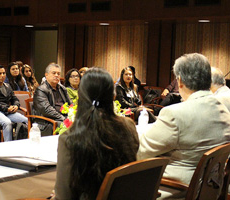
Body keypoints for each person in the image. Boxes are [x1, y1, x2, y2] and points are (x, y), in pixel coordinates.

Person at [137, 53, 230, 199]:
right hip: (210, 189)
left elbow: (141, 152)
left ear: (180, 81)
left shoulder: (175, 114)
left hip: (177, 190)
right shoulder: (224, 110)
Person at [54, 68, 139, 199]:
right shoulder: (128, 127)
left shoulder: (70, 139)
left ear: (81, 96)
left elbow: (64, 196)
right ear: (113, 95)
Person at [0, 65, 28, 142]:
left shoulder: (7, 86)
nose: (2, 76)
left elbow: (14, 98)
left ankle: (22, 143)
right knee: (7, 123)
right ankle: (8, 147)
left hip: (7, 112)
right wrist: (7, 108)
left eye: (3, 73)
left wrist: (16, 105)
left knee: (26, 120)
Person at [33, 63, 72, 136]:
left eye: (58, 74)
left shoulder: (62, 89)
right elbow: (47, 110)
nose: (56, 75)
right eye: (54, 73)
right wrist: (64, 119)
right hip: (47, 121)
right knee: (67, 126)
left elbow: (70, 104)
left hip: (62, 117)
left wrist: (73, 115)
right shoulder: (41, 89)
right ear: (46, 75)